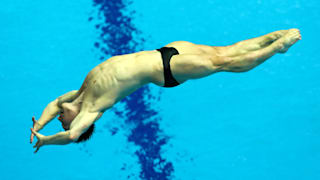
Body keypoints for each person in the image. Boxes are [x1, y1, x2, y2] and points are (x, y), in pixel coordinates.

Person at [30, 28, 301, 153]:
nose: (58, 117)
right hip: (167, 70)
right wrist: (45, 139)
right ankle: (276, 49)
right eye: (59, 121)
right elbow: (71, 135)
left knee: (224, 51)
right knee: (225, 64)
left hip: (166, 50)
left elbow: (55, 103)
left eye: (57, 118)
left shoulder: (76, 95)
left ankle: (269, 38)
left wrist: (39, 124)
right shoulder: (91, 109)